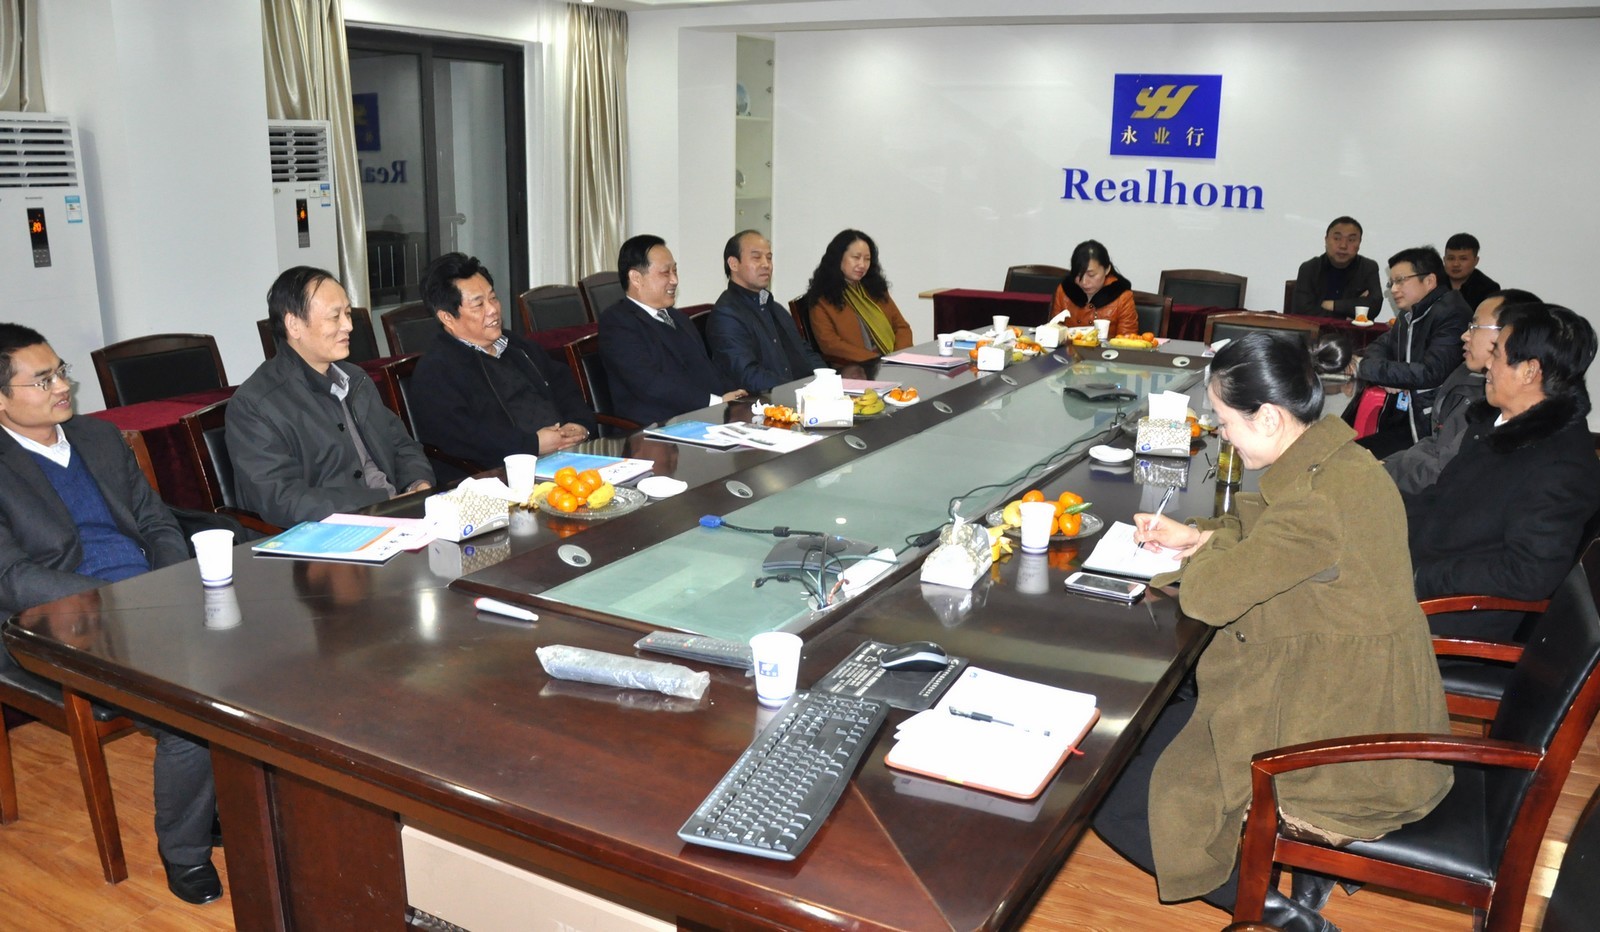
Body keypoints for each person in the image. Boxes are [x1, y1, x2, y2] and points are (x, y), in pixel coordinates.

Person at [1094, 332, 1452, 932]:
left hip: (1341, 732)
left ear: (1268, 417)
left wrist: (1209, 550)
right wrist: (1202, 537)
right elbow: (1272, 534)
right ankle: (1296, 877)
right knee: (1167, 725)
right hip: (1365, 696)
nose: (1221, 433)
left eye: (1225, 420)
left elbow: (1209, 597)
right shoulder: (1342, 463)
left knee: (1114, 792)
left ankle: (1275, 913)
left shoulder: (1316, 504)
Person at [0, 323, 221, 905]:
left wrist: (167, 582)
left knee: (266, 661)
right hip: (57, 622)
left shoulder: (96, 437)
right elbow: (12, 578)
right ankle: (185, 851)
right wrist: (116, 602)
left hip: (151, 599)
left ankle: (218, 801)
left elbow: (156, 520)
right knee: (189, 709)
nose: (62, 386)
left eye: (61, 371)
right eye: (42, 380)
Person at [1405, 302, 1600, 641]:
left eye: (1496, 354)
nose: (1487, 366)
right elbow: (1439, 501)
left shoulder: (1561, 465)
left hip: (1447, 619)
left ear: (1529, 371)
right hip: (1413, 579)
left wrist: (1423, 578)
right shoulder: (1497, 427)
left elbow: (1527, 573)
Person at [228, 267, 433, 527]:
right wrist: (380, 502)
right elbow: (283, 499)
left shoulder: (355, 379)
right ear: (294, 325)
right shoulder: (255, 405)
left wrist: (417, 483)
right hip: (329, 535)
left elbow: (402, 445)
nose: (348, 326)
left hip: (396, 516)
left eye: (347, 314)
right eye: (335, 317)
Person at [409, 252, 594, 465]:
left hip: (567, 457)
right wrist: (532, 444)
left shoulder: (518, 346)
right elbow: (464, 438)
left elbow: (564, 385)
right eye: (479, 305)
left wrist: (579, 424)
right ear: (447, 317)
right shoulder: (436, 371)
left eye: (493, 298)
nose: (493, 310)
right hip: (505, 472)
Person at [1383, 288, 1539, 494]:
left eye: (1474, 327)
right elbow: (1435, 442)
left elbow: (1445, 471)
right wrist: (1385, 465)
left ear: (1508, 334)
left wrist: (1382, 474)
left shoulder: (1501, 403)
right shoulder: (1464, 374)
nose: (1465, 336)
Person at [598, 235, 747, 425]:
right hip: (654, 428)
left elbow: (705, 367)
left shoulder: (678, 318)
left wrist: (735, 393)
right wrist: (715, 402)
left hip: (700, 417)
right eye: (665, 273)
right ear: (636, 278)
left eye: (675, 271)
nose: (675, 280)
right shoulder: (617, 323)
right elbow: (649, 384)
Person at [1342, 246, 1472, 458]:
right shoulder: (1409, 314)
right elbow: (1379, 346)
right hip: (1405, 419)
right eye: (1391, 283)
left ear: (1429, 281)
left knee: (1351, 459)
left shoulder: (1451, 313)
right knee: (1343, 452)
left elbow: (1431, 373)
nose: (1393, 289)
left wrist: (1366, 368)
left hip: (1430, 430)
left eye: (1401, 280)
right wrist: (1387, 375)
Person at [707, 230, 827, 393]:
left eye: (769, 258)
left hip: (800, 394)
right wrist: (799, 391)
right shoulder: (727, 315)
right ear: (733, 264)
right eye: (756, 257)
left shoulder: (774, 307)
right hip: (767, 401)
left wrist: (826, 379)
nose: (766, 264)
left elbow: (805, 352)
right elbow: (749, 376)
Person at [802, 229, 914, 367]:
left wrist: (898, 357)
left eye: (867, 259)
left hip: (893, 363)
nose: (862, 265)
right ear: (838, 258)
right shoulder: (822, 299)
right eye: (856, 257)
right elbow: (831, 345)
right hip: (857, 369)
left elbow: (902, 327)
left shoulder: (875, 288)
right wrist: (878, 361)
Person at [1290, 216, 1383, 320]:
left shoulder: (1368, 268)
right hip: (1317, 330)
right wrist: (1348, 314)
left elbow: (1374, 307)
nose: (1343, 245)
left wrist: (1332, 305)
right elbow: (1302, 312)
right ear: (1326, 240)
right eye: (1337, 238)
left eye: (1351, 240)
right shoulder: (1309, 268)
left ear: (1359, 243)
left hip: (1353, 331)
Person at [1045, 239, 1139, 337]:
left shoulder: (1122, 296)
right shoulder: (1064, 290)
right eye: (1078, 275)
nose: (1084, 282)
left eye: (1091, 275)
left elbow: (1127, 341)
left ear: (1107, 269)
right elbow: (1053, 332)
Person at [1443, 232, 1502, 311]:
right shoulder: (1433, 282)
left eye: (1463, 259)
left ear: (1476, 261)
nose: (1456, 264)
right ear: (1444, 259)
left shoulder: (1488, 288)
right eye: (1451, 258)